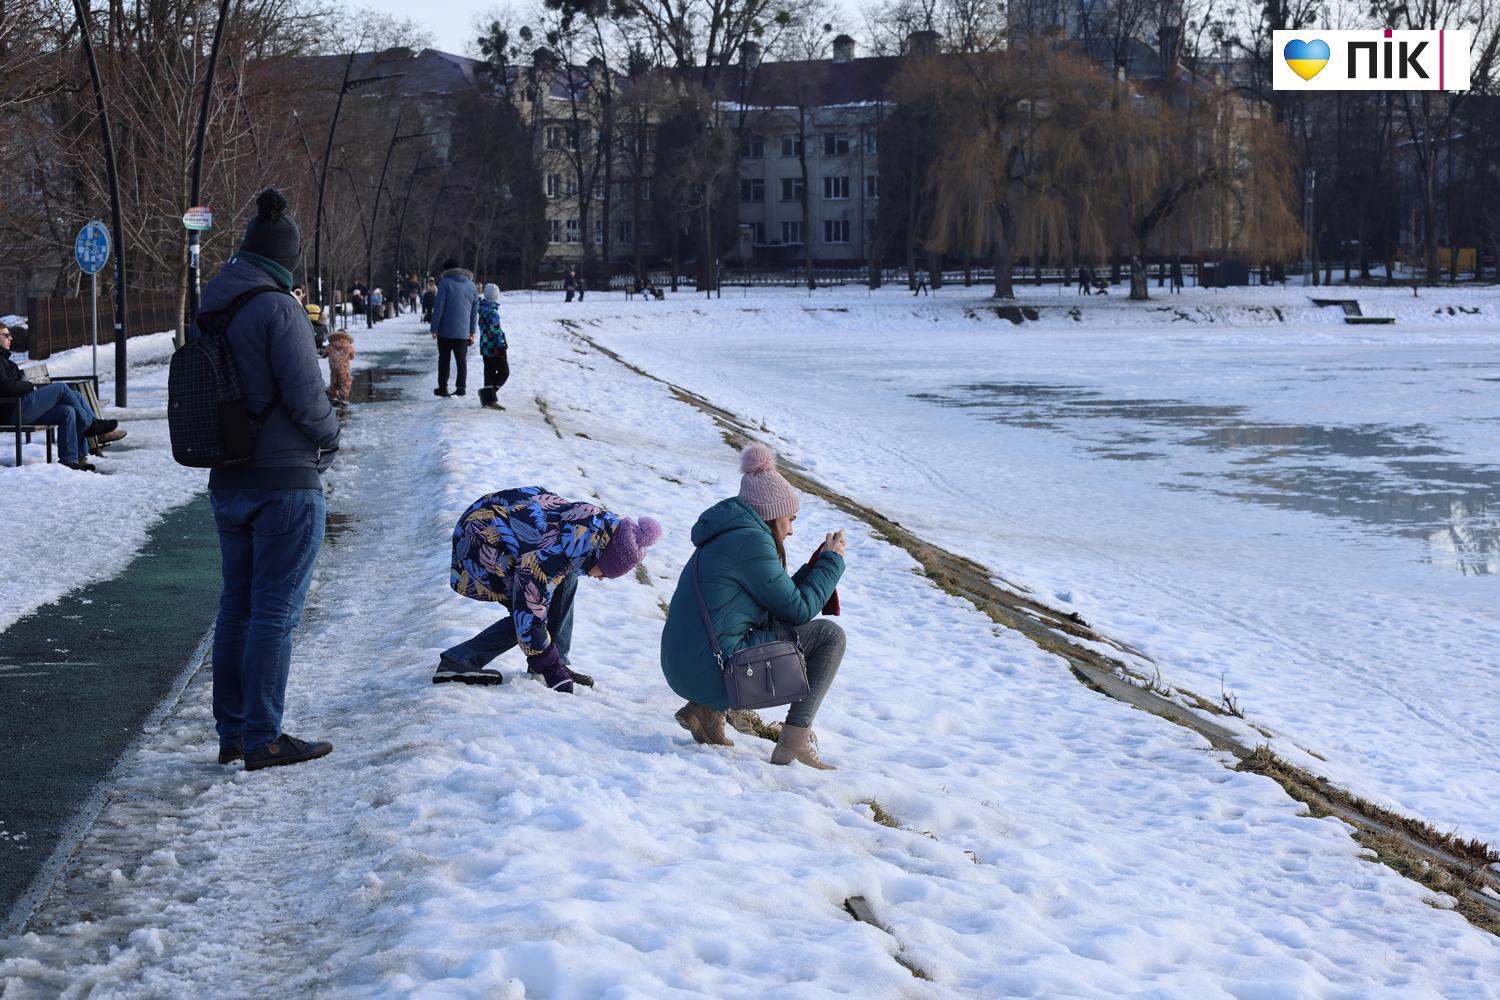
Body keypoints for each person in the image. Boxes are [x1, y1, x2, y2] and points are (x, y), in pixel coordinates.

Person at [199, 187, 341, 772]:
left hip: (228, 478)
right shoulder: (279, 308)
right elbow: (308, 401)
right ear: (287, 261)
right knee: (274, 612)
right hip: (285, 481)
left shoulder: (213, 305)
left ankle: (233, 733)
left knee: (237, 605)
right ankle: (263, 736)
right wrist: (331, 431)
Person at [660, 444, 847, 769]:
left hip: (684, 664)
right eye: (790, 519)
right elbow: (798, 610)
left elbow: (777, 600)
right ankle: (794, 743)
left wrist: (816, 565)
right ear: (771, 514)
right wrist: (831, 564)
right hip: (708, 670)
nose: (791, 529)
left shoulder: (732, 533)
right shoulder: (751, 541)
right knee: (830, 636)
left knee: (751, 629)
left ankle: (705, 712)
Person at [437, 486, 661, 691]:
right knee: (528, 613)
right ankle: (459, 661)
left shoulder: (583, 531)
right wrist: (552, 671)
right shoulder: (548, 554)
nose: (601, 579)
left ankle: (555, 661)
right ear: (602, 557)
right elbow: (529, 614)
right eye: (605, 572)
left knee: (565, 579)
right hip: (479, 544)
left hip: (493, 529)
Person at [0, 323, 124, 471]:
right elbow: (5, 387)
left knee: (68, 410)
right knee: (61, 388)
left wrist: (29, 386)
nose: (10, 338)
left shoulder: (5, 359)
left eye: (10, 335)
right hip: (13, 411)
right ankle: (92, 425)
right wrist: (28, 385)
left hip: (22, 406)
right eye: (6, 335)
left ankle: (73, 460)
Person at [430, 258, 477, 397]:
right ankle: (461, 387)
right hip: (463, 332)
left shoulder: (445, 283)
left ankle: (443, 388)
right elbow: (474, 312)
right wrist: (472, 332)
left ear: (446, 270)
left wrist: (434, 328)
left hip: (445, 331)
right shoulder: (472, 286)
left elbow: (439, 308)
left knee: (444, 359)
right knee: (461, 360)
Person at [476, 282, 508, 410]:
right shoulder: (492, 312)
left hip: (484, 345)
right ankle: (488, 396)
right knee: (504, 372)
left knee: (489, 372)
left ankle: (488, 399)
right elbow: (495, 331)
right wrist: (502, 344)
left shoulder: (482, 308)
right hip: (494, 346)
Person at [326, 328, 355, 406]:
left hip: (333, 368)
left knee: (334, 381)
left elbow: (324, 354)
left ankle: (333, 396)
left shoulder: (330, 345)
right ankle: (343, 398)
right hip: (344, 368)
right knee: (345, 382)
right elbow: (352, 356)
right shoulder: (348, 346)